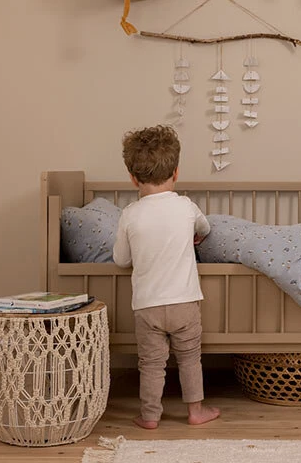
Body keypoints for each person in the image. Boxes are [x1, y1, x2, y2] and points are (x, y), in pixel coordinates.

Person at [113, 124, 220, 429]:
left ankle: (150, 415)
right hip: (184, 301)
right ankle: (195, 411)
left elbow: (121, 260)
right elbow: (205, 228)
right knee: (189, 358)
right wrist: (195, 236)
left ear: (133, 177)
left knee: (150, 364)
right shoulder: (186, 206)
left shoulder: (130, 214)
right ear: (176, 172)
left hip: (147, 306)